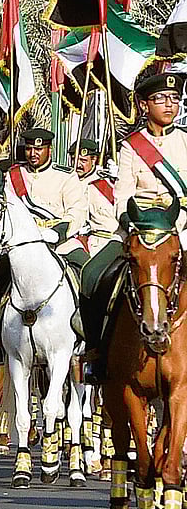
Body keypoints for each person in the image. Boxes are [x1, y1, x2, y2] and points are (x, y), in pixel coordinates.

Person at [83, 72, 187, 383]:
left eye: (174, 99)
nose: (169, 104)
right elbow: (123, 196)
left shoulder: (185, 141)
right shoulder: (130, 147)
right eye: (160, 99)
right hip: (139, 227)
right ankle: (96, 353)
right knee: (92, 276)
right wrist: (132, 224)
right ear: (144, 105)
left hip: (179, 224)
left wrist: (176, 222)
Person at [8, 128, 89, 271]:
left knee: (88, 273)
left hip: (60, 243)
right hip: (22, 243)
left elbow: (78, 211)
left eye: (38, 149)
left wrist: (58, 232)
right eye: (29, 149)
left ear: (49, 149)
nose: (33, 154)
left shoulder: (66, 176)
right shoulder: (13, 175)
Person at [70, 138, 117, 258]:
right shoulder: (66, 179)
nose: (78, 165)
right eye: (74, 160)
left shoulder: (105, 180)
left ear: (94, 160)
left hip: (109, 240)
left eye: (83, 160)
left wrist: (119, 180)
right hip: (85, 243)